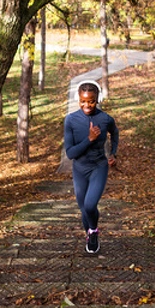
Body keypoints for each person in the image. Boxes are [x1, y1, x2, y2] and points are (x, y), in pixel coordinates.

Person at [64, 80, 119, 254]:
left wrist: (113, 153)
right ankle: (90, 234)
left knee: (89, 205)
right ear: (77, 99)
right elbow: (71, 153)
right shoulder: (71, 120)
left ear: (98, 99)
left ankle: (93, 231)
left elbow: (115, 133)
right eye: (83, 101)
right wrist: (89, 139)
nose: (87, 105)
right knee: (83, 208)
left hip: (98, 167)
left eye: (91, 101)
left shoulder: (105, 119)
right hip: (79, 169)